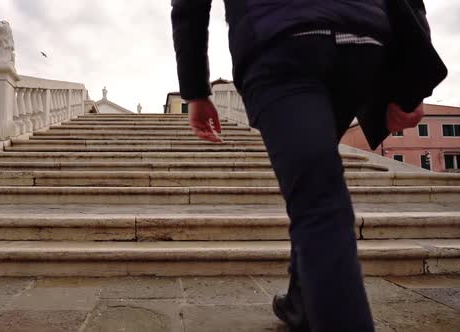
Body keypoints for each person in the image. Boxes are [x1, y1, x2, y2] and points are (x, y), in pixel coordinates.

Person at [171, 1, 429, 331]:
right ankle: (301, 302)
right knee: (315, 176)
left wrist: (195, 91)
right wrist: (412, 80)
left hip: (279, 38)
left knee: (318, 197)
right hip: (362, 37)